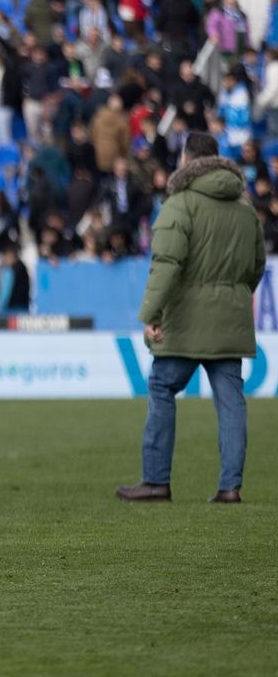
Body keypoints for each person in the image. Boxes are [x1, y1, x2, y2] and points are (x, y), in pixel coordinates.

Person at [118, 132, 265, 504]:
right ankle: (230, 487)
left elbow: (166, 265)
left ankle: (155, 481)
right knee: (231, 402)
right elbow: (256, 267)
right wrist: (232, 293)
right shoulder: (246, 208)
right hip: (230, 320)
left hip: (184, 320)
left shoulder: (179, 204)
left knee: (162, 387)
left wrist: (150, 313)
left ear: (186, 159)